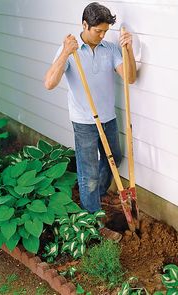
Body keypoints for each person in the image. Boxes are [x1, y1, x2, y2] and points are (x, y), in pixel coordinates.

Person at [44, 2, 137, 241]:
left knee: (115, 158)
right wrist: (65, 52)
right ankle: (93, 219)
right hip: (84, 120)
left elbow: (130, 78)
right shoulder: (71, 50)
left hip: (108, 117)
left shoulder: (110, 49)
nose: (103, 35)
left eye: (106, 31)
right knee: (89, 172)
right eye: (98, 31)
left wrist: (127, 49)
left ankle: (98, 195)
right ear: (84, 25)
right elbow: (49, 83)